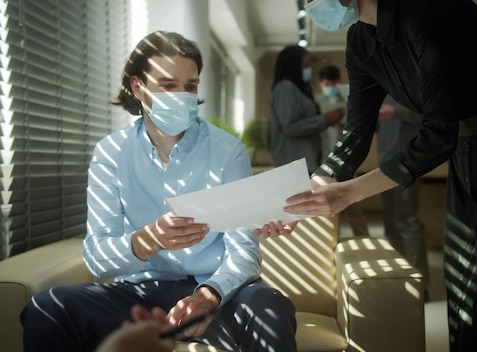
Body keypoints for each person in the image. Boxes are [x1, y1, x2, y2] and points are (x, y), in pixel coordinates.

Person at [283, 1, 477, 351]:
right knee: (465, 288)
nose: (310, 4)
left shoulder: (427, 11)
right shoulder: (360, 40)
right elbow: (355, 133)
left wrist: (349, 193)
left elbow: (437, 135)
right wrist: (303, 196)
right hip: (467, 157)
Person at [19, 31, 297, 352]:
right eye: (168, 85)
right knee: (48, 306)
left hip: (211, 291)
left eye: (190, 86)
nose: (182, 95)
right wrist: (147, 240)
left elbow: (243, 252)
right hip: (137, 294)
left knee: (269, 305)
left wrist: (208, 295)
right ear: (138, 87)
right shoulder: (111, 153)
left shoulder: (226, 151)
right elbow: (97, 259)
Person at [377, 95, 429, 296]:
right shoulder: (382, 86)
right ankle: (399, 278)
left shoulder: (412, 82)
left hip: (407, 162)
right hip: (385, 163)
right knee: (390, 222)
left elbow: (429, 115)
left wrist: (396, 112)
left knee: (406, 220)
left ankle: (419, 284)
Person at [268, 45, 345, 173]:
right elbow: (290, 127)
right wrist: (326, 120)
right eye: (305, 66)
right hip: (294, 166)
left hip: (305, 164)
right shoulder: (285, 88)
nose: (309, 70)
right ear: (293, 66)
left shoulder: (297, 90)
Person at [315, 64, 370, 238]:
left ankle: (363, 239)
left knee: (352, 204)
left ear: (338, 82)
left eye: (332, 84)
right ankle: (332, 241)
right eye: (326, 85)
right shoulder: (316, 102)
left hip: (343, 162)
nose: (329, 88)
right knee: (327, 209)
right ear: (320, 84)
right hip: (322, 161)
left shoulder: (347, 99)